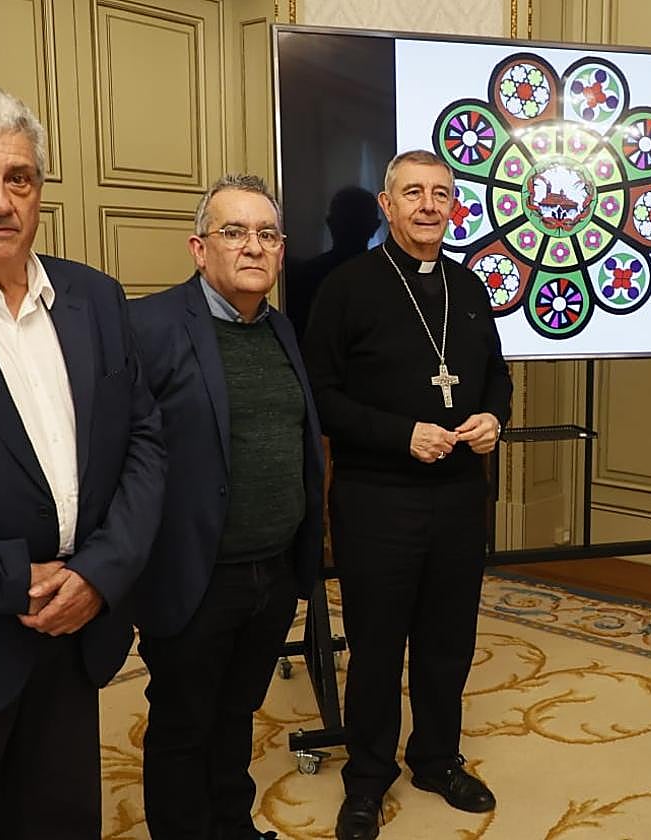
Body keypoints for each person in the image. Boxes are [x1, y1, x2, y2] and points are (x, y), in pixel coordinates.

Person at [0, 83, 165, 838]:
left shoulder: (94, 297)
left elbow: (146, 442)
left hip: (71, 641)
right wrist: (6, 580)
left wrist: (101, 573)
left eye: (18, 177)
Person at [303, 149, 512, 840]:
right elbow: (321, 397)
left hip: (458, 495)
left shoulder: (470, 288)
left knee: (449, 641)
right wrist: (401, 435)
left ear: (455, 207)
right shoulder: (346, 287)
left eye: (441, 194)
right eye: (412, 193)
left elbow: (496, 377)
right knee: (377, 644)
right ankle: (366, 777)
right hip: (376, 496)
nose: (429, 205)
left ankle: (434, 758)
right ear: (387, 206)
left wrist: (493, 419)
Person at [129, 173, 325, 840]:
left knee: (238, 711)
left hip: (271, 572)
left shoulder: (279, 330)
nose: (253, 247)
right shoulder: (149, 327)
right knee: (184, 723)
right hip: (193, 575)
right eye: (233, 232)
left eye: (267, 234)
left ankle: (231, 828)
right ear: (198, 247)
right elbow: (118, 453)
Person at [285, 185, 382, 342]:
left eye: (356, 222)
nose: (351, 229)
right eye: (347, 222)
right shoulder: (304, 278)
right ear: (374, 226)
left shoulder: (305, 275)